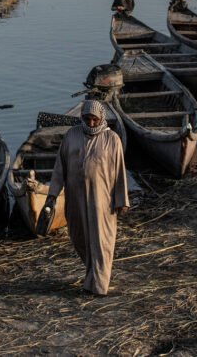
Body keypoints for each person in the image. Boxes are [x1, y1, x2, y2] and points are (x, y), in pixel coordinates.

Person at [42, 99, 129, 296]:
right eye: (86, 118)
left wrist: (121, 200)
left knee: (101, 242)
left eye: (94, 119)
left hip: (102, 202)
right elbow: (59, 168)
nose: (90, 123)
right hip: (75, 199)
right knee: (80, 238)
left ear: (101, 119)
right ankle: (92, 276)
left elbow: (119, 172)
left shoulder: (112, 139)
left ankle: (99, 287)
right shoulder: (72, 136)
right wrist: (52, 195)